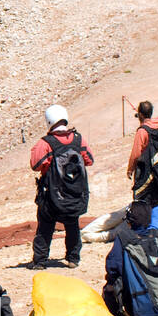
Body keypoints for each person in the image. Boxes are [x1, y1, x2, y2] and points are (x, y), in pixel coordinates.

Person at [29, 104, 94, 269]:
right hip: (74, 194)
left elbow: (35, 164)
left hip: (53, 195)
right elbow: (89, 160)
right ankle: (73, 258)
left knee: (45, 226)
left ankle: (40, 261)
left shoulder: (46, 143)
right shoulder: (79, 139)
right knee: (72, 225)